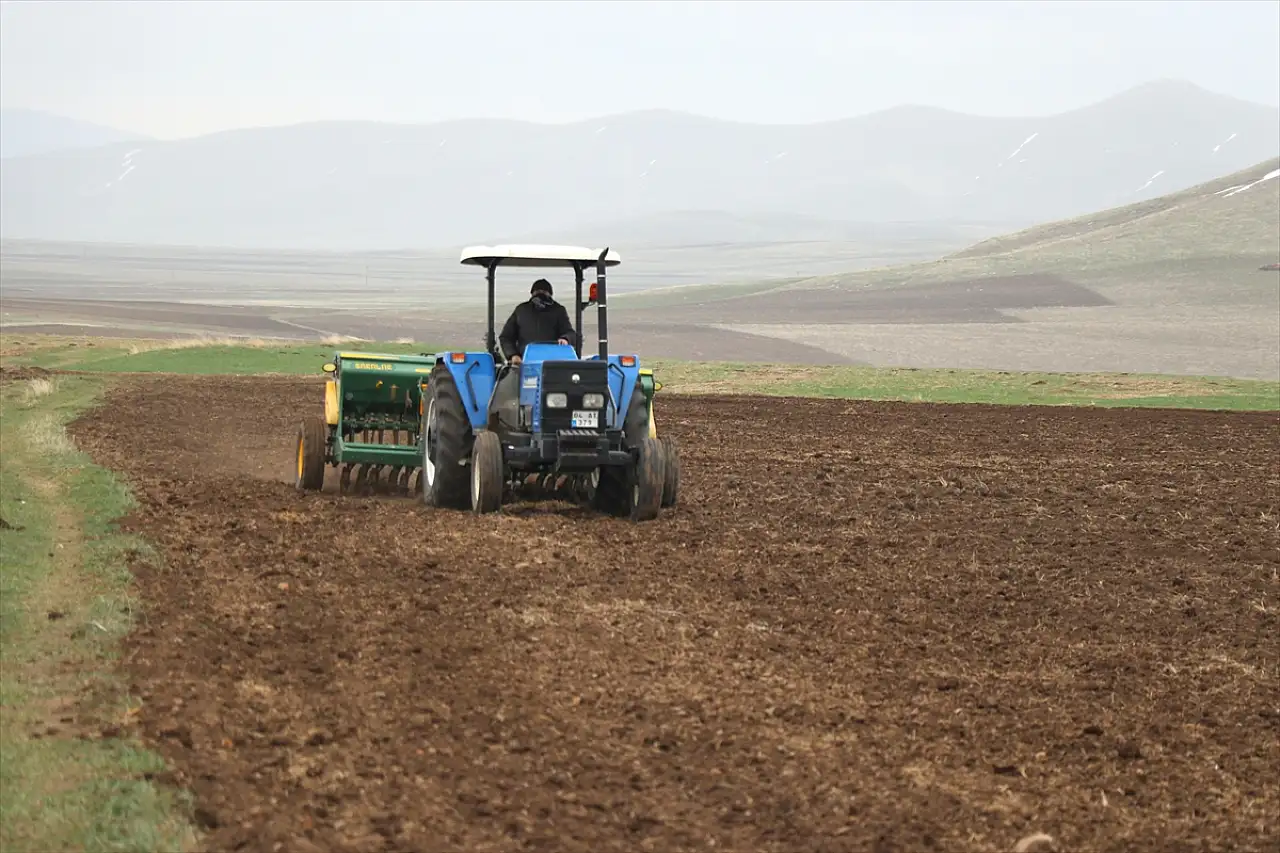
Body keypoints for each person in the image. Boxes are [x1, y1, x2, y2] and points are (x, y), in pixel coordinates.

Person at [498, 278, 577, 365]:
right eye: (537, 291)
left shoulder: (558, 311)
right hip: (524, 362)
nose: (540, 295)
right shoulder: (521, 310)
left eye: (544, 292)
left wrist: (565, 338)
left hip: (552, 362)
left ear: (550, 294)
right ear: (532, 294)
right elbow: (506, 337)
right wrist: (513, 355)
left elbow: (570, 332)